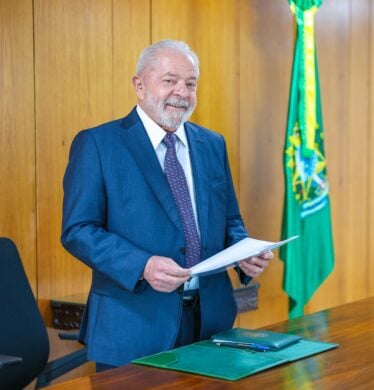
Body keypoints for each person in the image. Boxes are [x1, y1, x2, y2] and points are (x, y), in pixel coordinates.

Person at [61, 39, 272, 371]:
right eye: (170, 80)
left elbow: (229, 219)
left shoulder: (212, 144)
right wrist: (142, 265)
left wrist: (244, 252)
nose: (182, 92)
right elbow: (78, 230)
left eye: (191, 84)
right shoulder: (99, 144)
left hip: (211, 323)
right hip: (133, 326)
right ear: (140, 85)